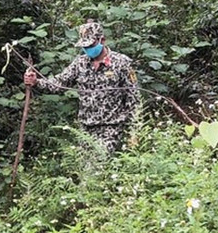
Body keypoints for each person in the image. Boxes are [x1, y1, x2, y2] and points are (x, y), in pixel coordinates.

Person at [23, 20, 140, 154]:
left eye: (91, 45)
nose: (88, 49)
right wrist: (36, 82)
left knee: (100, 163)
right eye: (85, 46)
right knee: (85, 169)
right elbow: (59, 83)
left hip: (112, 127)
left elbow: (133, 98)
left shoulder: (121, 63)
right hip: (86, 127)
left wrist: (134, 130)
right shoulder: (80, 63)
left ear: (102, 40)